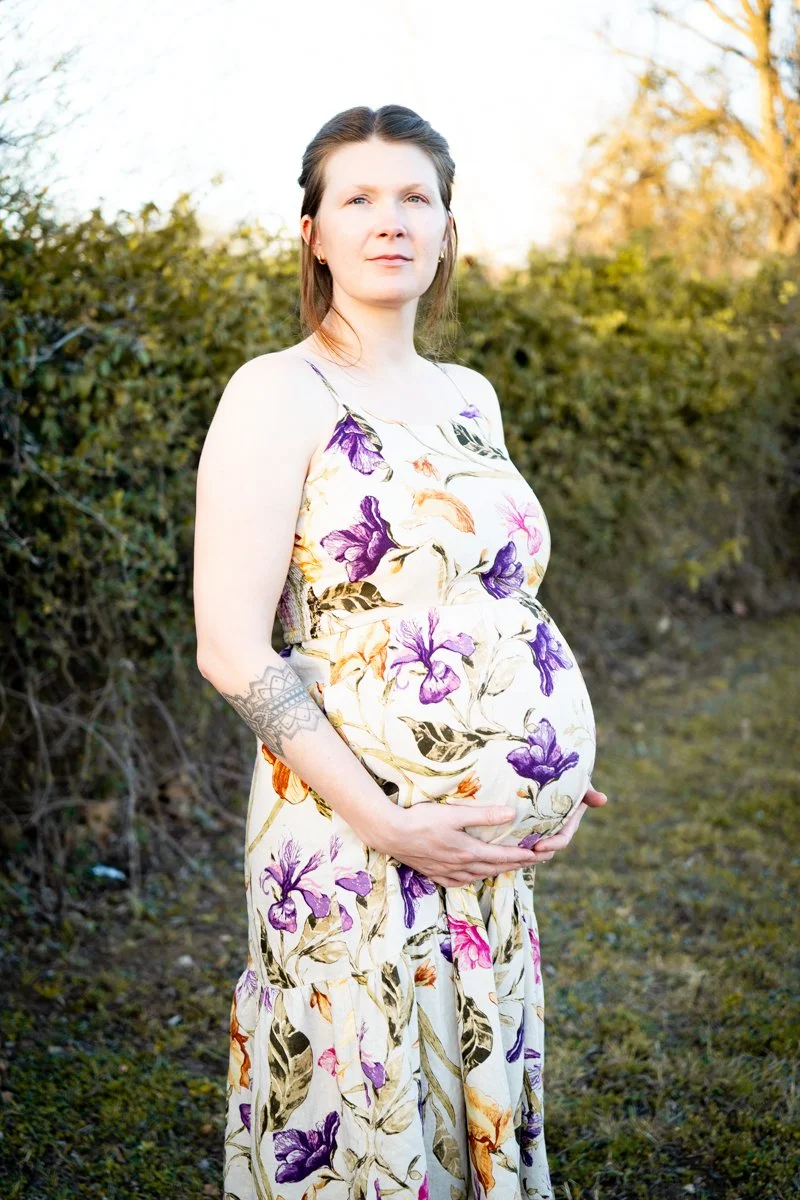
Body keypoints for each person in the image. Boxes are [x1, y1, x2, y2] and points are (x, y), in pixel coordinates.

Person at [194, 104, 608, 1200]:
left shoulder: (470, 398)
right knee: (363, 1099)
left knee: (462, 1083)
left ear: (446, 227)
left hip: (473, 843)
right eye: (358, 198)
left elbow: (495, 597)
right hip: (350, 831)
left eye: (414, 196)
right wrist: (386, 822)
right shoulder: (277, 390)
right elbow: (231, 648)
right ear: (312, 233)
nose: (390, 220)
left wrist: (540, 754)